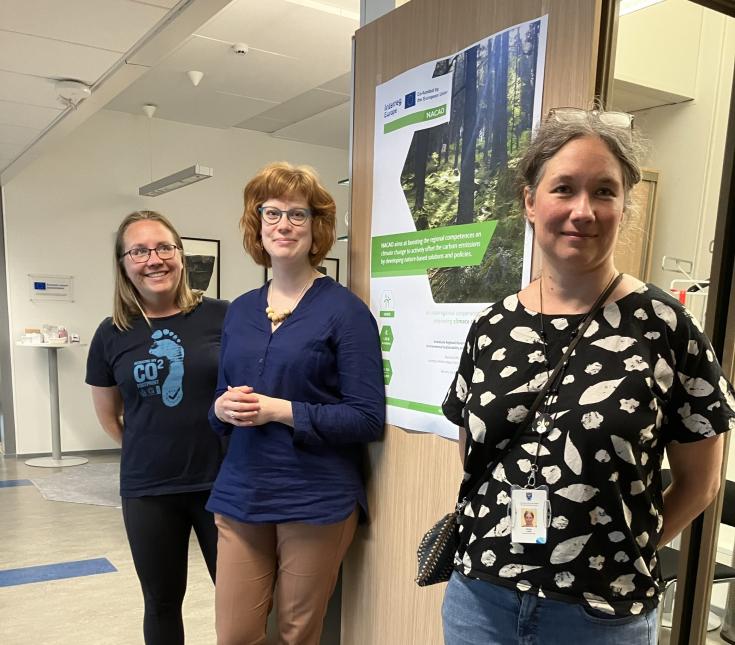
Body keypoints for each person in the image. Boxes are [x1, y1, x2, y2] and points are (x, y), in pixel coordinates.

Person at [441, 108, 735, 644]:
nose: (583, 210)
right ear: (530, 202)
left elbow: (701, 481)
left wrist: (624, 547)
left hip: (602, 613)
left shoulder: (666, 327)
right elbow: (473, 453)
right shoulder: (492, 326)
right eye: (563, 189)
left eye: (603, 191)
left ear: (626, 205)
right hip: (480, 597)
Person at [207, 161, 385, 645]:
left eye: (297, 215)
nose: (283, 225)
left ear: (316, 227)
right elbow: (220, 401)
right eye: (271, 214)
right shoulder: (240, 309)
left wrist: (279, 410)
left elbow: (366, 417)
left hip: (315, 496)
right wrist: (221, 410)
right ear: (256, 225)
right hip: (242, 490)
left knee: (296, 634)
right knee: (235, 634)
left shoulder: (346, 312)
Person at [86, 210, 228, 645]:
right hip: (149, 488)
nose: (155, 259)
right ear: (124, 263)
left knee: (240, 597)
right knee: (162, 602)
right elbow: (109, 416)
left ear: (181, 256)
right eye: (140, 250)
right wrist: (150, 447)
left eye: (165, 247)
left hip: (222, 482)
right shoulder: (112, 333)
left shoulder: (224, 316)